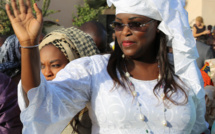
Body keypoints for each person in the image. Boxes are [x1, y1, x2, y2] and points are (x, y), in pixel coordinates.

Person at [6, 0, 208, 134]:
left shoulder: (182, 74)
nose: (125, 31)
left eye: (136, 23)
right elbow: (42, 104)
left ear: (159, 27)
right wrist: (29, 45)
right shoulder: (95, 70)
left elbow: (200, 128)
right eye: (119, 25)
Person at [19, 27, 99, 134]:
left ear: (76, 64)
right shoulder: (44, 108)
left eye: (55, 65)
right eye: (42, 66)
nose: (47, 73)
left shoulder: (98, 110)